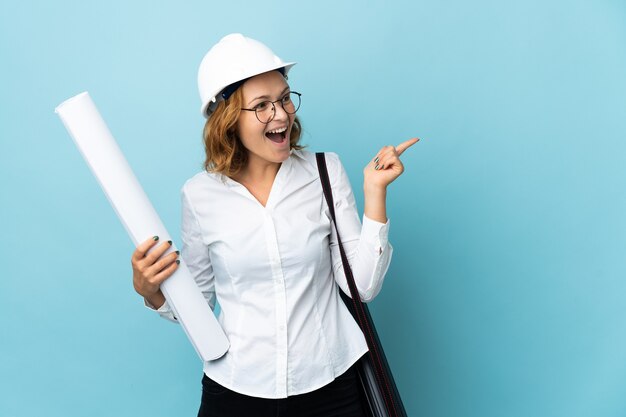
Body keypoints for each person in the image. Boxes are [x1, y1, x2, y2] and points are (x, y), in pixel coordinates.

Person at [131, 33, 418, 417]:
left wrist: (375, 193)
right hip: (235, 389)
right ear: (228, 119)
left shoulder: (324, 172)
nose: (281, 115)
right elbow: (198, 305)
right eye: (262, 106)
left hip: (331, 385)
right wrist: (152, 292)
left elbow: (361, 286)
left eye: (284, 98)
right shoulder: (199, 195)